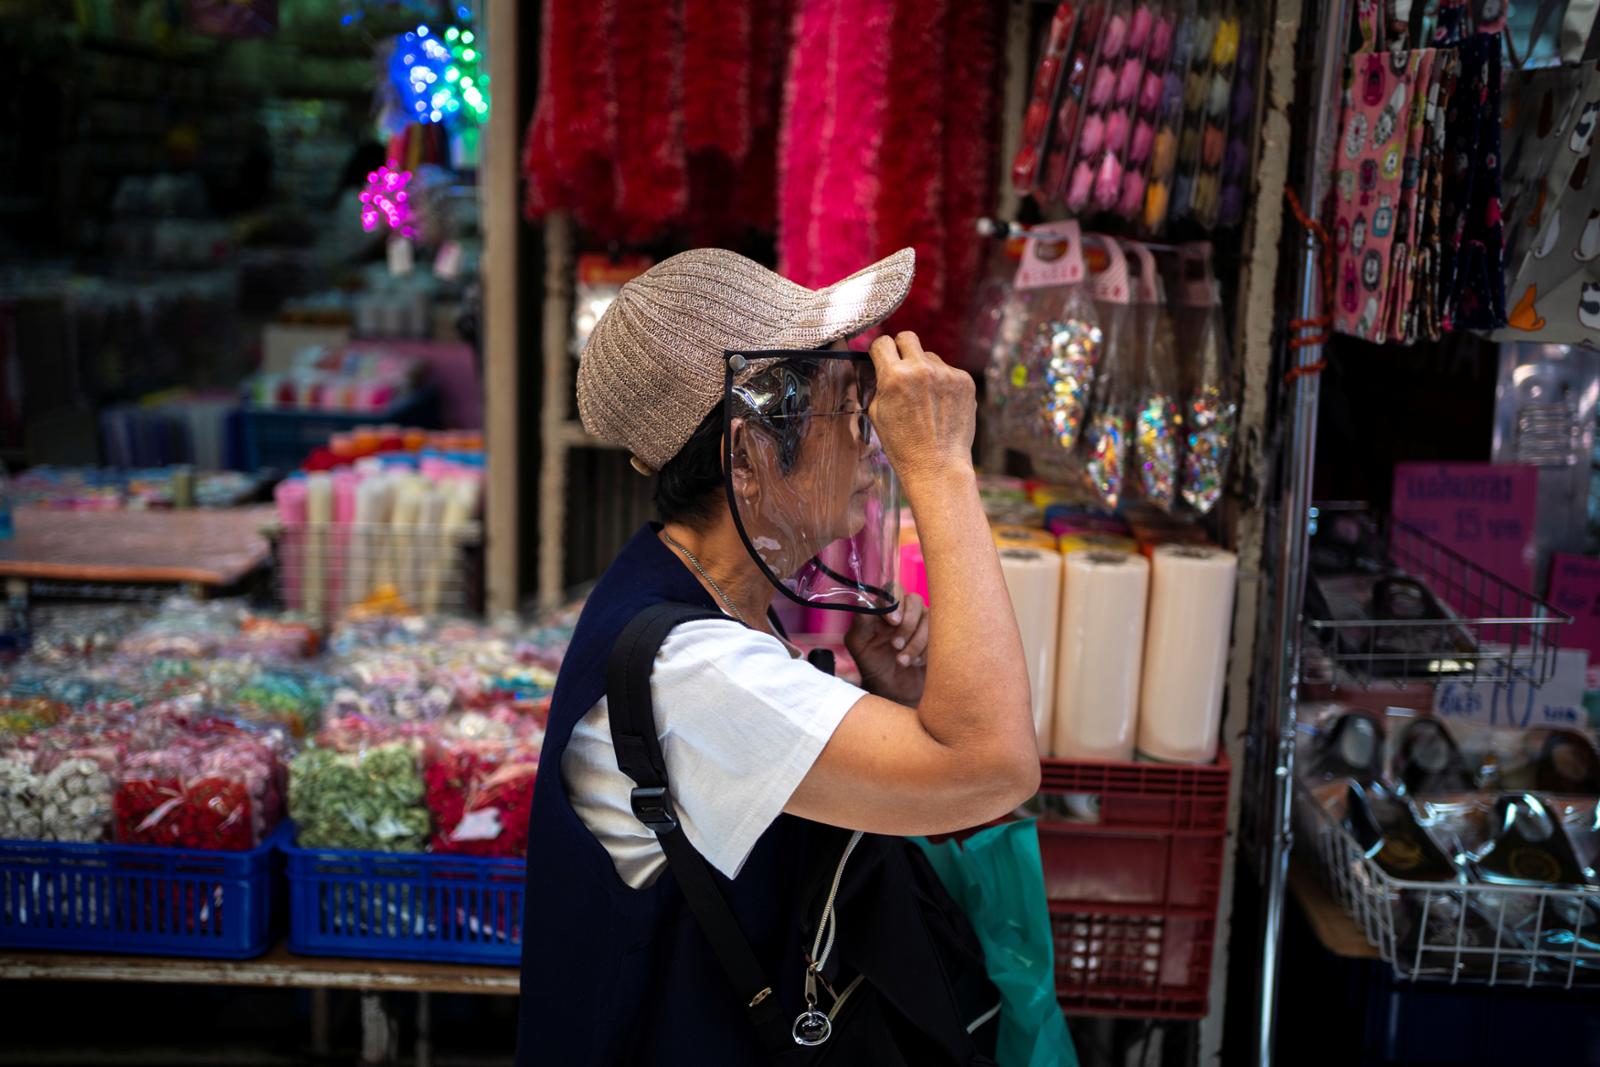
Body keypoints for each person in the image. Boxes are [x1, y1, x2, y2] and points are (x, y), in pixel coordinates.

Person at [518, 247, 1039, 1065]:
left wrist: (899, 706)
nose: (872, 443)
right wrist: (942, 469)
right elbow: (996, 764)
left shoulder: (708, 605)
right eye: (848, 409)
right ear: (748, 455)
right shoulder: (698, 672)